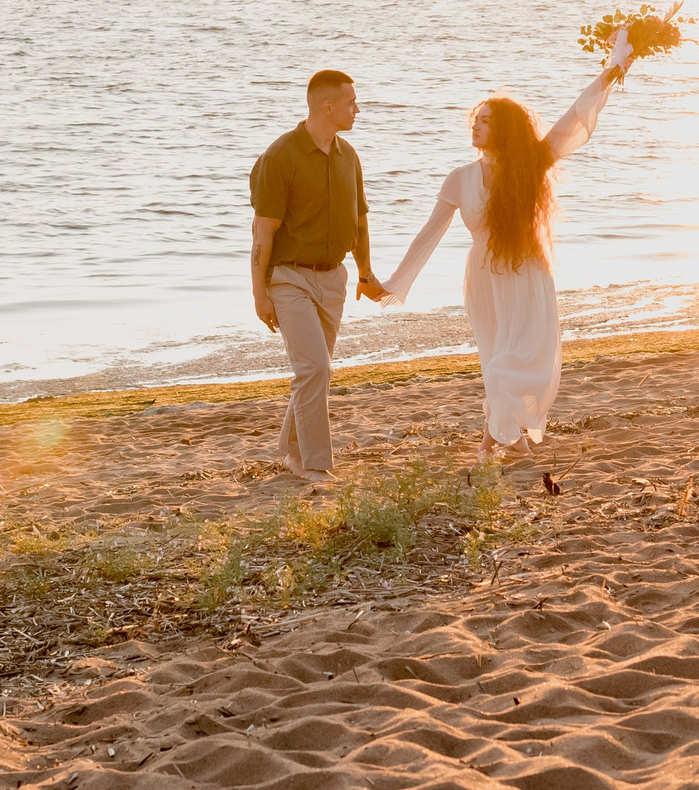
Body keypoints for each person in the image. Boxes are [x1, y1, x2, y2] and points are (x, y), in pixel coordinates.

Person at [378, 31, 634, 461]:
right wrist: (392, 284)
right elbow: (428, 235)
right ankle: (510, 440)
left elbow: (576, 116)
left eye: (485, 120)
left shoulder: (532, 163)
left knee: (510, 365)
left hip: (528, 272)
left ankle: (489, 443)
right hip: (483, 278)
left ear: (504, 129)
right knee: (494, 361)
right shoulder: (460, 178)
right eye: (474, 119)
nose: (474, 126)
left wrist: (614, 68)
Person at [248, 69, 389, 484]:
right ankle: (316, 465)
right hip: (289, 279)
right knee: (315, 370)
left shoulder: (349, 155)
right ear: (327, 107)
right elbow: (262, 234)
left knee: (316, 369)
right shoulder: (280, 157)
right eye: (351, 103)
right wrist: (259, 294)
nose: (357, 109)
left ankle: (290, 453)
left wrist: (366, 272)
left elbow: (359, 220)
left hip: (334, 279)